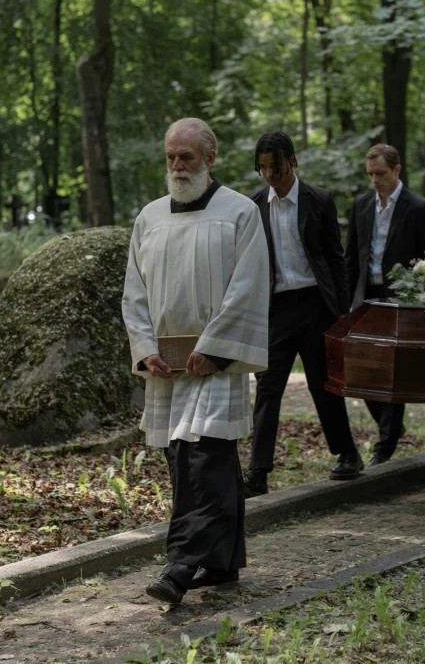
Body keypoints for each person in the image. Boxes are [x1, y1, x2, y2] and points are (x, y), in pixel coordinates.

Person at [122, 117, 269, 605]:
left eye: (187, 156)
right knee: (186, 459)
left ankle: (180, 566)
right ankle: (223, 562)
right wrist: (145, 350)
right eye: (170, 157)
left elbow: (248, 286)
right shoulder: (149, 217)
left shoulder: (240, 212)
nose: (178, 166)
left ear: (211, 157)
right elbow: (134, 294)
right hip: (167, 367)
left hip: (214, 363)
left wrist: (215, 348)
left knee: (204, 457)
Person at [243, 131, 363, 499]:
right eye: (262, 168)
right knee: (267, 389)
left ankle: (347, 454)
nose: (268, 176)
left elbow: (335, 259)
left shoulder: (319, 200)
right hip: (275, 309)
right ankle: (258, 472)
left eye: (275, 167)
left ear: (292, 160)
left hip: (315, 306)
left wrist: (341, 315)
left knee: (322, 384)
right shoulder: (252, 206)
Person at [345, 143, 425, 466]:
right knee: (360, 372)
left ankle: (384, 446)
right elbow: (351, 258)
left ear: (397, 170)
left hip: (400, 300)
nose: (375, 180)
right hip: (366, 297)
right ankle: (393, 427)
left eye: (381, 173)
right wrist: (347, 303)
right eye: (370, 174)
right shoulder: (360, 206)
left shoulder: (418, 207)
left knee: (391, 372)